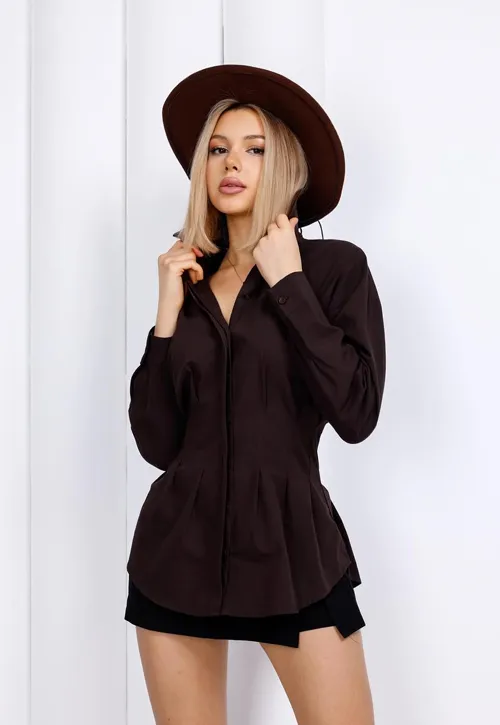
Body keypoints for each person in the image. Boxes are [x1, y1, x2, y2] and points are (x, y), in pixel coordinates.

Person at [124, 64, 386, 725]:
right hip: (177, 553)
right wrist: (165, 316)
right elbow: (157, 443)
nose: (232, 162)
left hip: (295, 551)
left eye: (254, 148)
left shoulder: (333, 270)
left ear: (286, 165)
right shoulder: (188, 281)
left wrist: (289, 284)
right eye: (218, 148)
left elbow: (357, 413)